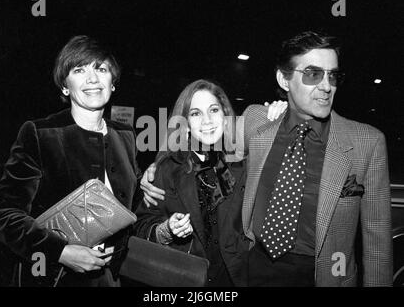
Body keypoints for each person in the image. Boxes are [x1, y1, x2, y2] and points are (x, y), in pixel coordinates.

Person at [239, 31, 392, 286]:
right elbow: (200, 143)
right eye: (313, 74)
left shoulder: (367, 142)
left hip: (324, 277)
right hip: (255, 269)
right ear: (284, 79)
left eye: (333, 75)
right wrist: (157, 168)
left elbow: (377, 243)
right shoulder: (256, 120)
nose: (326, 85)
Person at [0, 35, 141, 287]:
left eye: (101, 69)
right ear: (64, 86)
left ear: (113, 83)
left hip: (111, 278)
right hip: (52, 278)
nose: (93, 78)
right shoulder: (40, 134)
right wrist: (60, 252)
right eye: (79, 70)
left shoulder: (125, 135)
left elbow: (131, 206)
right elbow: (2, 215)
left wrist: (150, 183)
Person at [135, 79, 287, 286]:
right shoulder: (167, 169)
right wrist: (166, 229)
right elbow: (142, 225)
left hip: (238, 278)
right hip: (186, 280)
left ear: (225, 116)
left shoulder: (247, 161)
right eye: (196, 113)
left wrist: (281, 114)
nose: (207, 120)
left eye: (213, 110)